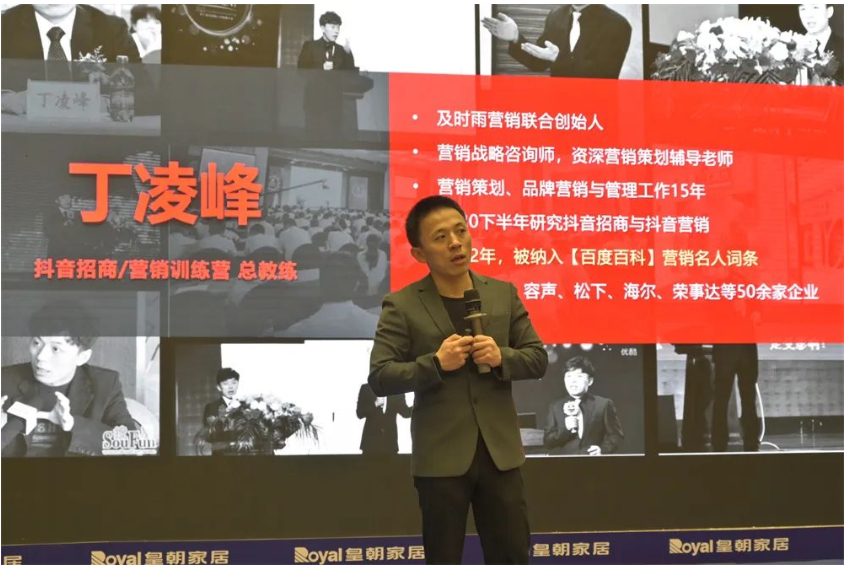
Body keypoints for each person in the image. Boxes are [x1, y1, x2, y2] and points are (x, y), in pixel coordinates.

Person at [368, 195, 548, 564]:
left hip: (500, 456)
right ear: (419, 253)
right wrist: (435, 363)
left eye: (460, 231)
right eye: (441, 237)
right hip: (440, 459)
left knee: (512, 556)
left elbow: (537, 359)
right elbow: (381, 376)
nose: (455, 242)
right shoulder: (402, 304)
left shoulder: (502, 293)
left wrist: (501, 356)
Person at [1, 300, 136, 457]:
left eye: (56, 349)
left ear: (82, 357)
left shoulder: (105, 384)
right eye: (37, 343)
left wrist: (74, 424)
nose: (41, 356)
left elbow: (130, 444)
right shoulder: (4, 380)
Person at [1, 4, 152, 115]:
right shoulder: (4, 25)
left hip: (93, 140)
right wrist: (6, 101)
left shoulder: (110, 28)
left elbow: (147, 94)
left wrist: (107, 103)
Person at [482, 4, 632, 79]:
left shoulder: (617, 24)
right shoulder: (556, 15)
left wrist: (557, 58)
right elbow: (538, 62)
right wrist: (515, 38)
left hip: (596, 114)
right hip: (559, 111)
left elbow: (603, 76)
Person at [543, 356, 624, 456]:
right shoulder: (555, 407)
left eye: (579, 376)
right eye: (568, 376)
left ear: (590, 381)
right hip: (565, 463)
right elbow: (548, 442)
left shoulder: (603, 404)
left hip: (593, 462)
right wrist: (565, 429)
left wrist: (602, 450)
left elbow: (616, 436)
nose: (572, 381)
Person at [711, 344, 760, 452]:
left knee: (721, 400)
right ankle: (751, 442)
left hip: (725, 348)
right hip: (746, 349)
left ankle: (719, 443)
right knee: (748, 400)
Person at [356, 383, 411, 455]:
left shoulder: (397, 390)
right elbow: (360, 413)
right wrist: (376, 404)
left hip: (390, 444)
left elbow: (405, 412)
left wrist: (420, 404)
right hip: (370, 444)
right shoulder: (367, 388)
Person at [798, 3, 843, 85]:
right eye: (803, 9)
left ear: (829, 11)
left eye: (815, 7)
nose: (809, 15)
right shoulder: (790, 49)